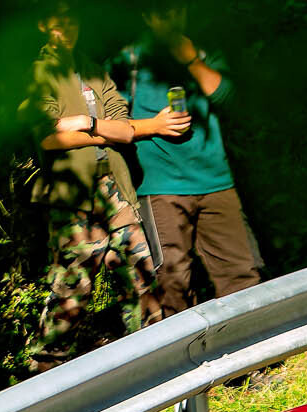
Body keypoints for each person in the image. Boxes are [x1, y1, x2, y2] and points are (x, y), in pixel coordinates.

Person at [26, 4, 190, 369]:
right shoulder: (38, 72)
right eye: (58, 20)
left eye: (72, 19)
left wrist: (86, 124)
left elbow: (125, 128)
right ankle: (44, 372)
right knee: (74, 286)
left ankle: (157, 361)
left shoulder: (93, 70)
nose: (66, 27)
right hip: (72, 195)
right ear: (43, 25)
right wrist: (104, 131)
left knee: (141, 270)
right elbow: (49, 138)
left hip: (114, 186)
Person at [116, 5, 259, 316]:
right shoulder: (129, 61)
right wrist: (154, 125)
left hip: (215, 181)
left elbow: (226, 96)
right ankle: (189, 348)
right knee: (172, 283)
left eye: (177, 10)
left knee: (241, 275)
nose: (171, 19)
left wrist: (191, 60)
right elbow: (110, 124)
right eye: (162, 12)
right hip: (161, 187)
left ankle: (253, 342)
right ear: (147, 15)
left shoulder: (201, 50)